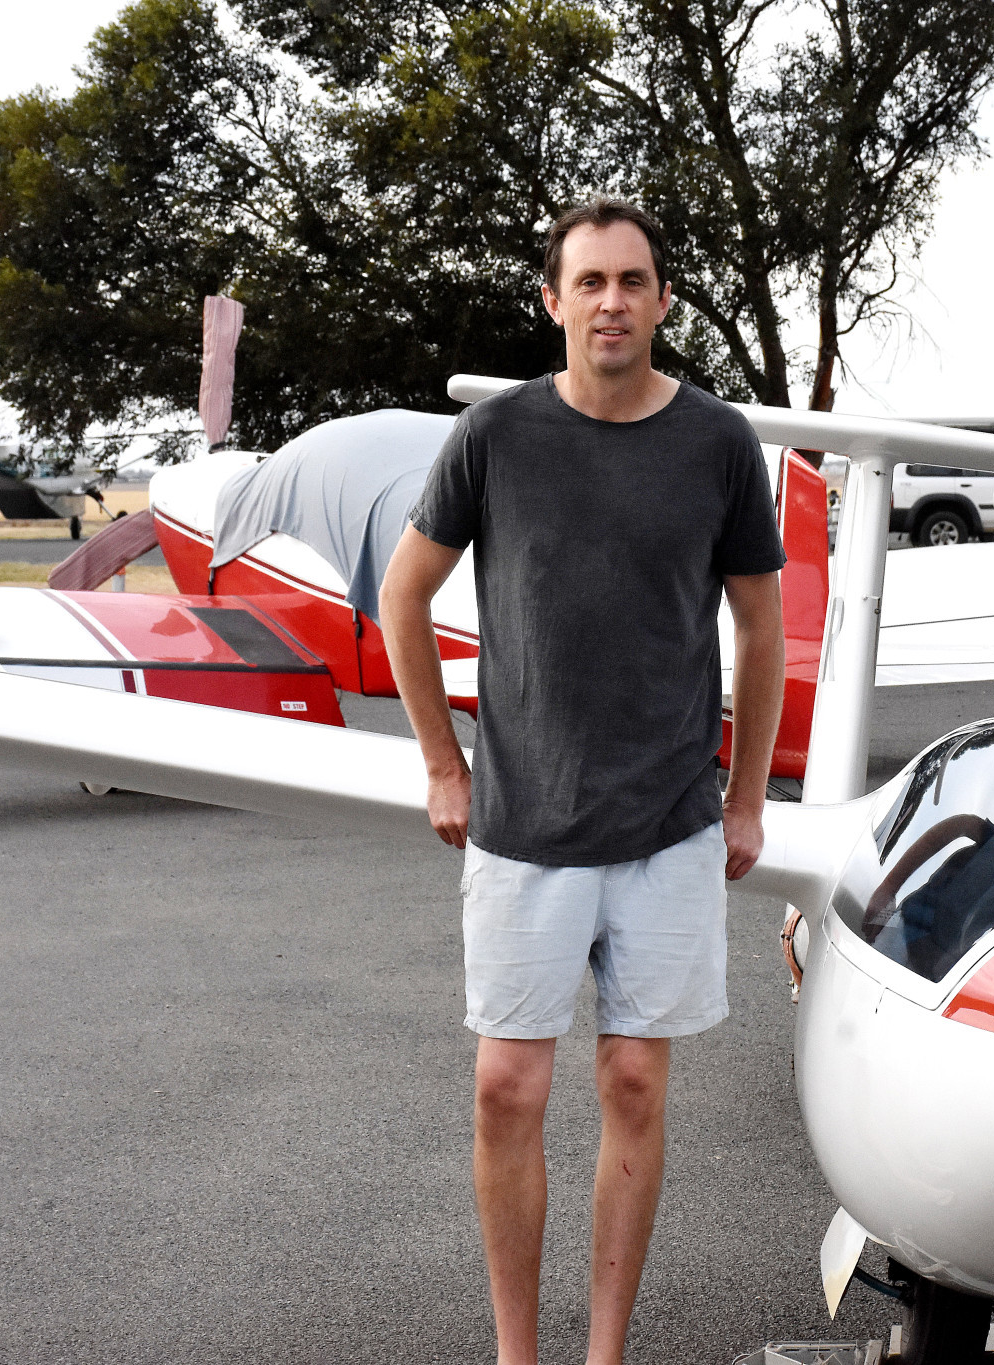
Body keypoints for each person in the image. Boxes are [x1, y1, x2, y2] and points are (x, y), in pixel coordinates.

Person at [377, 197, 788, 1365]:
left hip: (666, 825)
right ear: (553, 302)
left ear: (661, 301)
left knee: (633, 1086)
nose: (613, 301)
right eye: (591, 282)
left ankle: (604, 1354)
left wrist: (746, 797)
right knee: (505, 1087)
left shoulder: (715, 444)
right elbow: (404, 596)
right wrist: (440, 762)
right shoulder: (497, 436)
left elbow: (759, 631)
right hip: (521, 824)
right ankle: (520, 1356)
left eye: (634, 281)